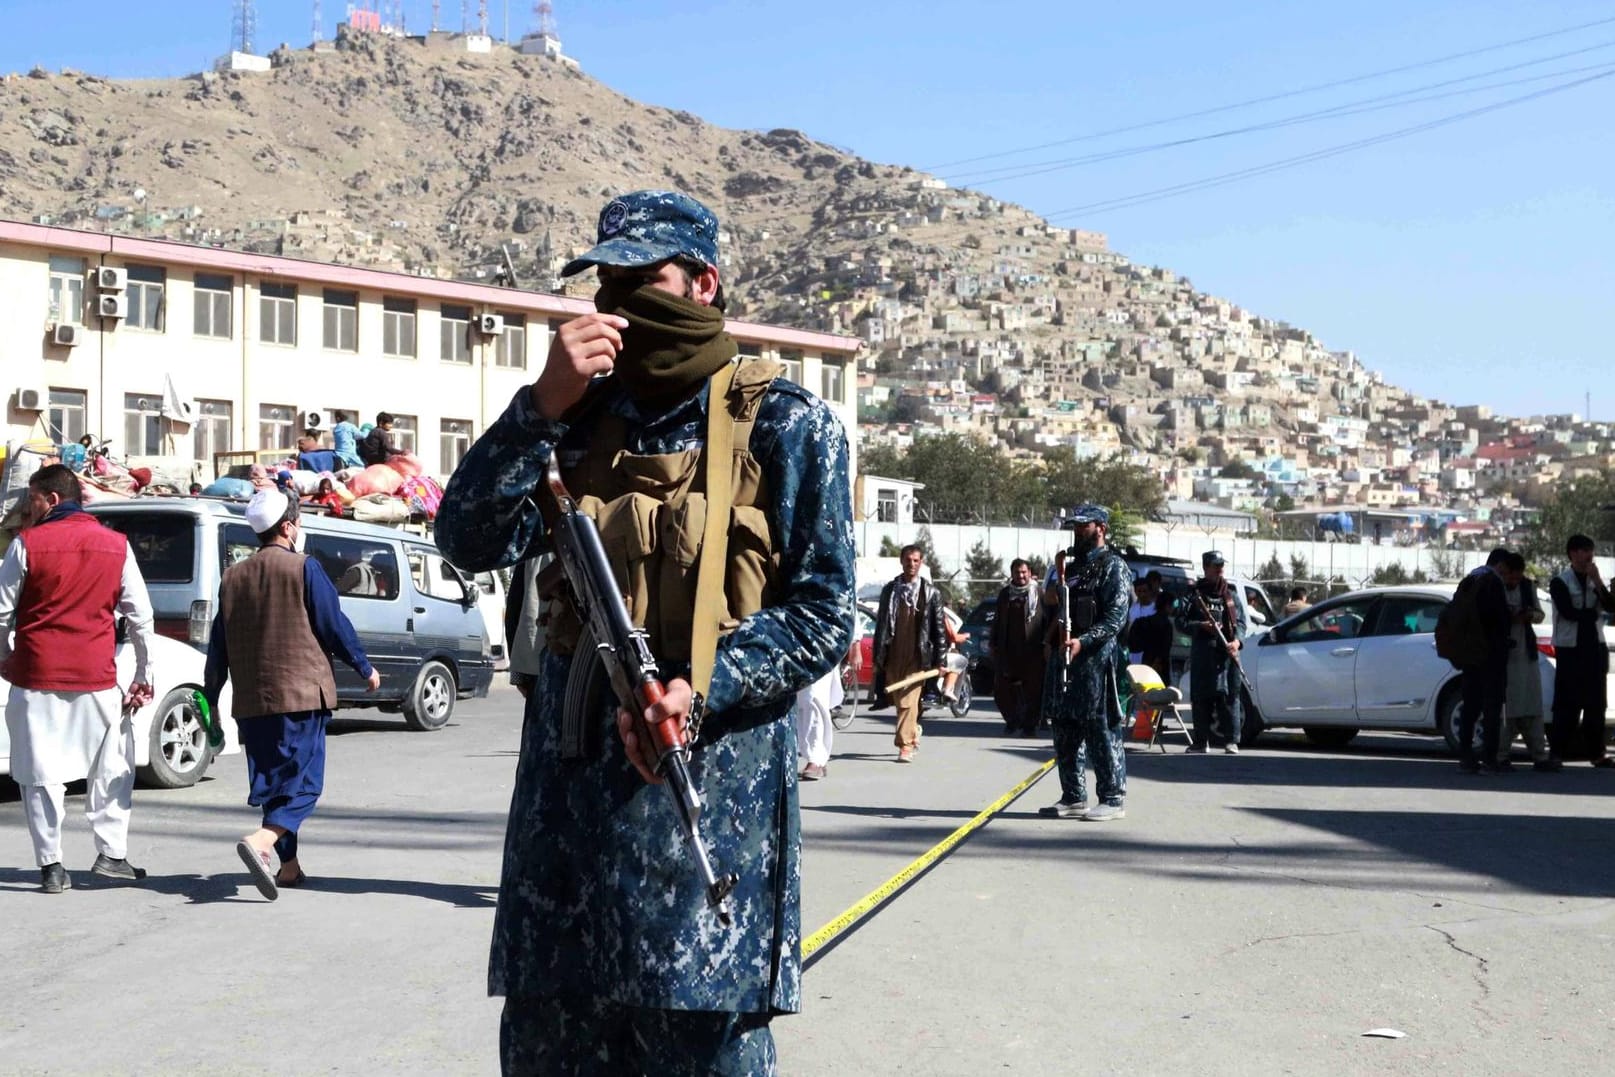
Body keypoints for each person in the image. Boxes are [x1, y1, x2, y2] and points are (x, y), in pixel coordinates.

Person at [434, 189, 854, 1074]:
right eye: (608, 282)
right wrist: (539, 404)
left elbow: (822, 610)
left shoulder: (786, 422)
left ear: (703, 282)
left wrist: (703, 683)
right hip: (563, 854)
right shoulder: (574, 418)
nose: (622, 301)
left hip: (699, 832)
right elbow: (467, 538)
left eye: (646, 278)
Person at [203, 489, 380, 899]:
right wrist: (364, 667)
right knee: (304, 786)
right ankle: (261, 842)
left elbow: (219, 646)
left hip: (252, 703)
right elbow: (333, 623)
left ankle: (289, 867)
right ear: (288, 527)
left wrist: (210, 696)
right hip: (300, 696)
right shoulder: (304, 568)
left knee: (276, 785)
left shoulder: (232, 577)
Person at [0, 464, 155, 892]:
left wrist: (6, 657)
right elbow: (141, 617)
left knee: (40, 774)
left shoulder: (26, 545)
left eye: (31, 500)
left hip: (35, 678)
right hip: (96, 678)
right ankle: (112, 856)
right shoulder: (116, 545)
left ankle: (51, 867)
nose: (26, 510)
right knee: (111, 771)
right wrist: (144, 674)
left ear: (51, 499)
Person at [1037, 504, 1130, 821]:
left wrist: (1084, 641)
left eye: (1084, 526)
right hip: (1065, 659)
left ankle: (1112, 797)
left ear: (1100, 528)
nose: (1078, 531)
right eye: (1075, 526)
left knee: (1101, 728)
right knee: (1064, 728)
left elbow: (1115, 619)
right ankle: (1074, 796)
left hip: (1095, 661)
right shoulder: (1071, 569)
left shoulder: (1113, 567)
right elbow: (1056, 608)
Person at [873, 545, 948, 763]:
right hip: (893, 652)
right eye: (908, 560)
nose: (911, 564)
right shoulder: (890, 590)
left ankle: (904, 746)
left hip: (918, 656)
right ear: (901, 561)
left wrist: (940, 660)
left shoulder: (931, 593)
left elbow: (939, 629)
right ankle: (913, 730)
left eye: (916, 560)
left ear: (921, 563)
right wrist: (878, 657)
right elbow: (881, 626)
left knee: (907, 699)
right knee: (899, 700)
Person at [1548, 534, 1615, 767]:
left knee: (1596, 704)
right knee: (1567, 703)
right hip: (1570, 649)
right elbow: (1568, 612)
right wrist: (1591, 614)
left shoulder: (1594, 580)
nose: (1589, 556)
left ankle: (1597, 753)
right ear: (1573, 554)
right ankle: (1556, 753)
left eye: (1591, 551)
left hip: (1595, 647)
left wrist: (1597, 582)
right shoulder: (1560, 581)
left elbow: (1610, 606)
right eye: (1585, 551)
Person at [1178, 550, 1247, 754]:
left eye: (1221, 565)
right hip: (1203, 655)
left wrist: (1237, 642)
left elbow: (1241, 623)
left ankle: (1231, 741)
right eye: (1215, 565)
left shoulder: (1231, 595)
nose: (1220, 569)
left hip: (1227, 655)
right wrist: (1201, 625)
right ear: (1206, 567)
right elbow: (1181, 622)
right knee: (1201, 698)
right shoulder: (1194, 595)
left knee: (1230, 697)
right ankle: (1201, 741)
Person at [1453, 548, 1514, 774]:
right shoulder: (1493, 583)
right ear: (1500, 566)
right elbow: (1499, 620)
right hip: (1491, 655)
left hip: (1470, 654)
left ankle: (1466, 756)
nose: (1507, 577)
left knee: (1470, 706)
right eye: (1506, 571)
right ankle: (1490, 758)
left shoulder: (1469, 580)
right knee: (1491, 708)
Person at [1497, 551, 1557, 771]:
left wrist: (1527, 615)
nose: (1514, 582)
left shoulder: (1527, 587)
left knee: (1532, 703)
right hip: (1503, 656)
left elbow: (1539, 615)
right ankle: (1501, 755)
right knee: (1506, 707)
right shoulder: (1495, 588)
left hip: (1525, 652)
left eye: (1517, 578)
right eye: (1511, 578)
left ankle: (1539, 756)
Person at [990, 559, 1045, 736]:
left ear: (1029, 573)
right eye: (1017, 572)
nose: (1020, 576)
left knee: (1033, 690)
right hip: (1008, 649)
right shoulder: (1005, 594)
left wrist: (1048, 644)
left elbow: (1050, 619)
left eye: (1024, 572)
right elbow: (997, 620)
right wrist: (993, 643)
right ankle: (1013, 720)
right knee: (1002, 689)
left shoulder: (1038, 593)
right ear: (1012, 574)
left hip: (1033, 650)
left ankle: (1030, 725)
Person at [795, 666, 842, 781]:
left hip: (819, 656)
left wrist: (855, 649)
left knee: (813, 699)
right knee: (799, 704)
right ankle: (819, 759)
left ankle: (815, 760)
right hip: (796, 655)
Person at [1126, 574, 1173, 683]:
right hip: (1134, 653)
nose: (1142, 594)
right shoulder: (1132, 609)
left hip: (1152, 656)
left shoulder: (1155, 610)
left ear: (1150, 592)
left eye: (1145, 591)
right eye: (1139, 591)